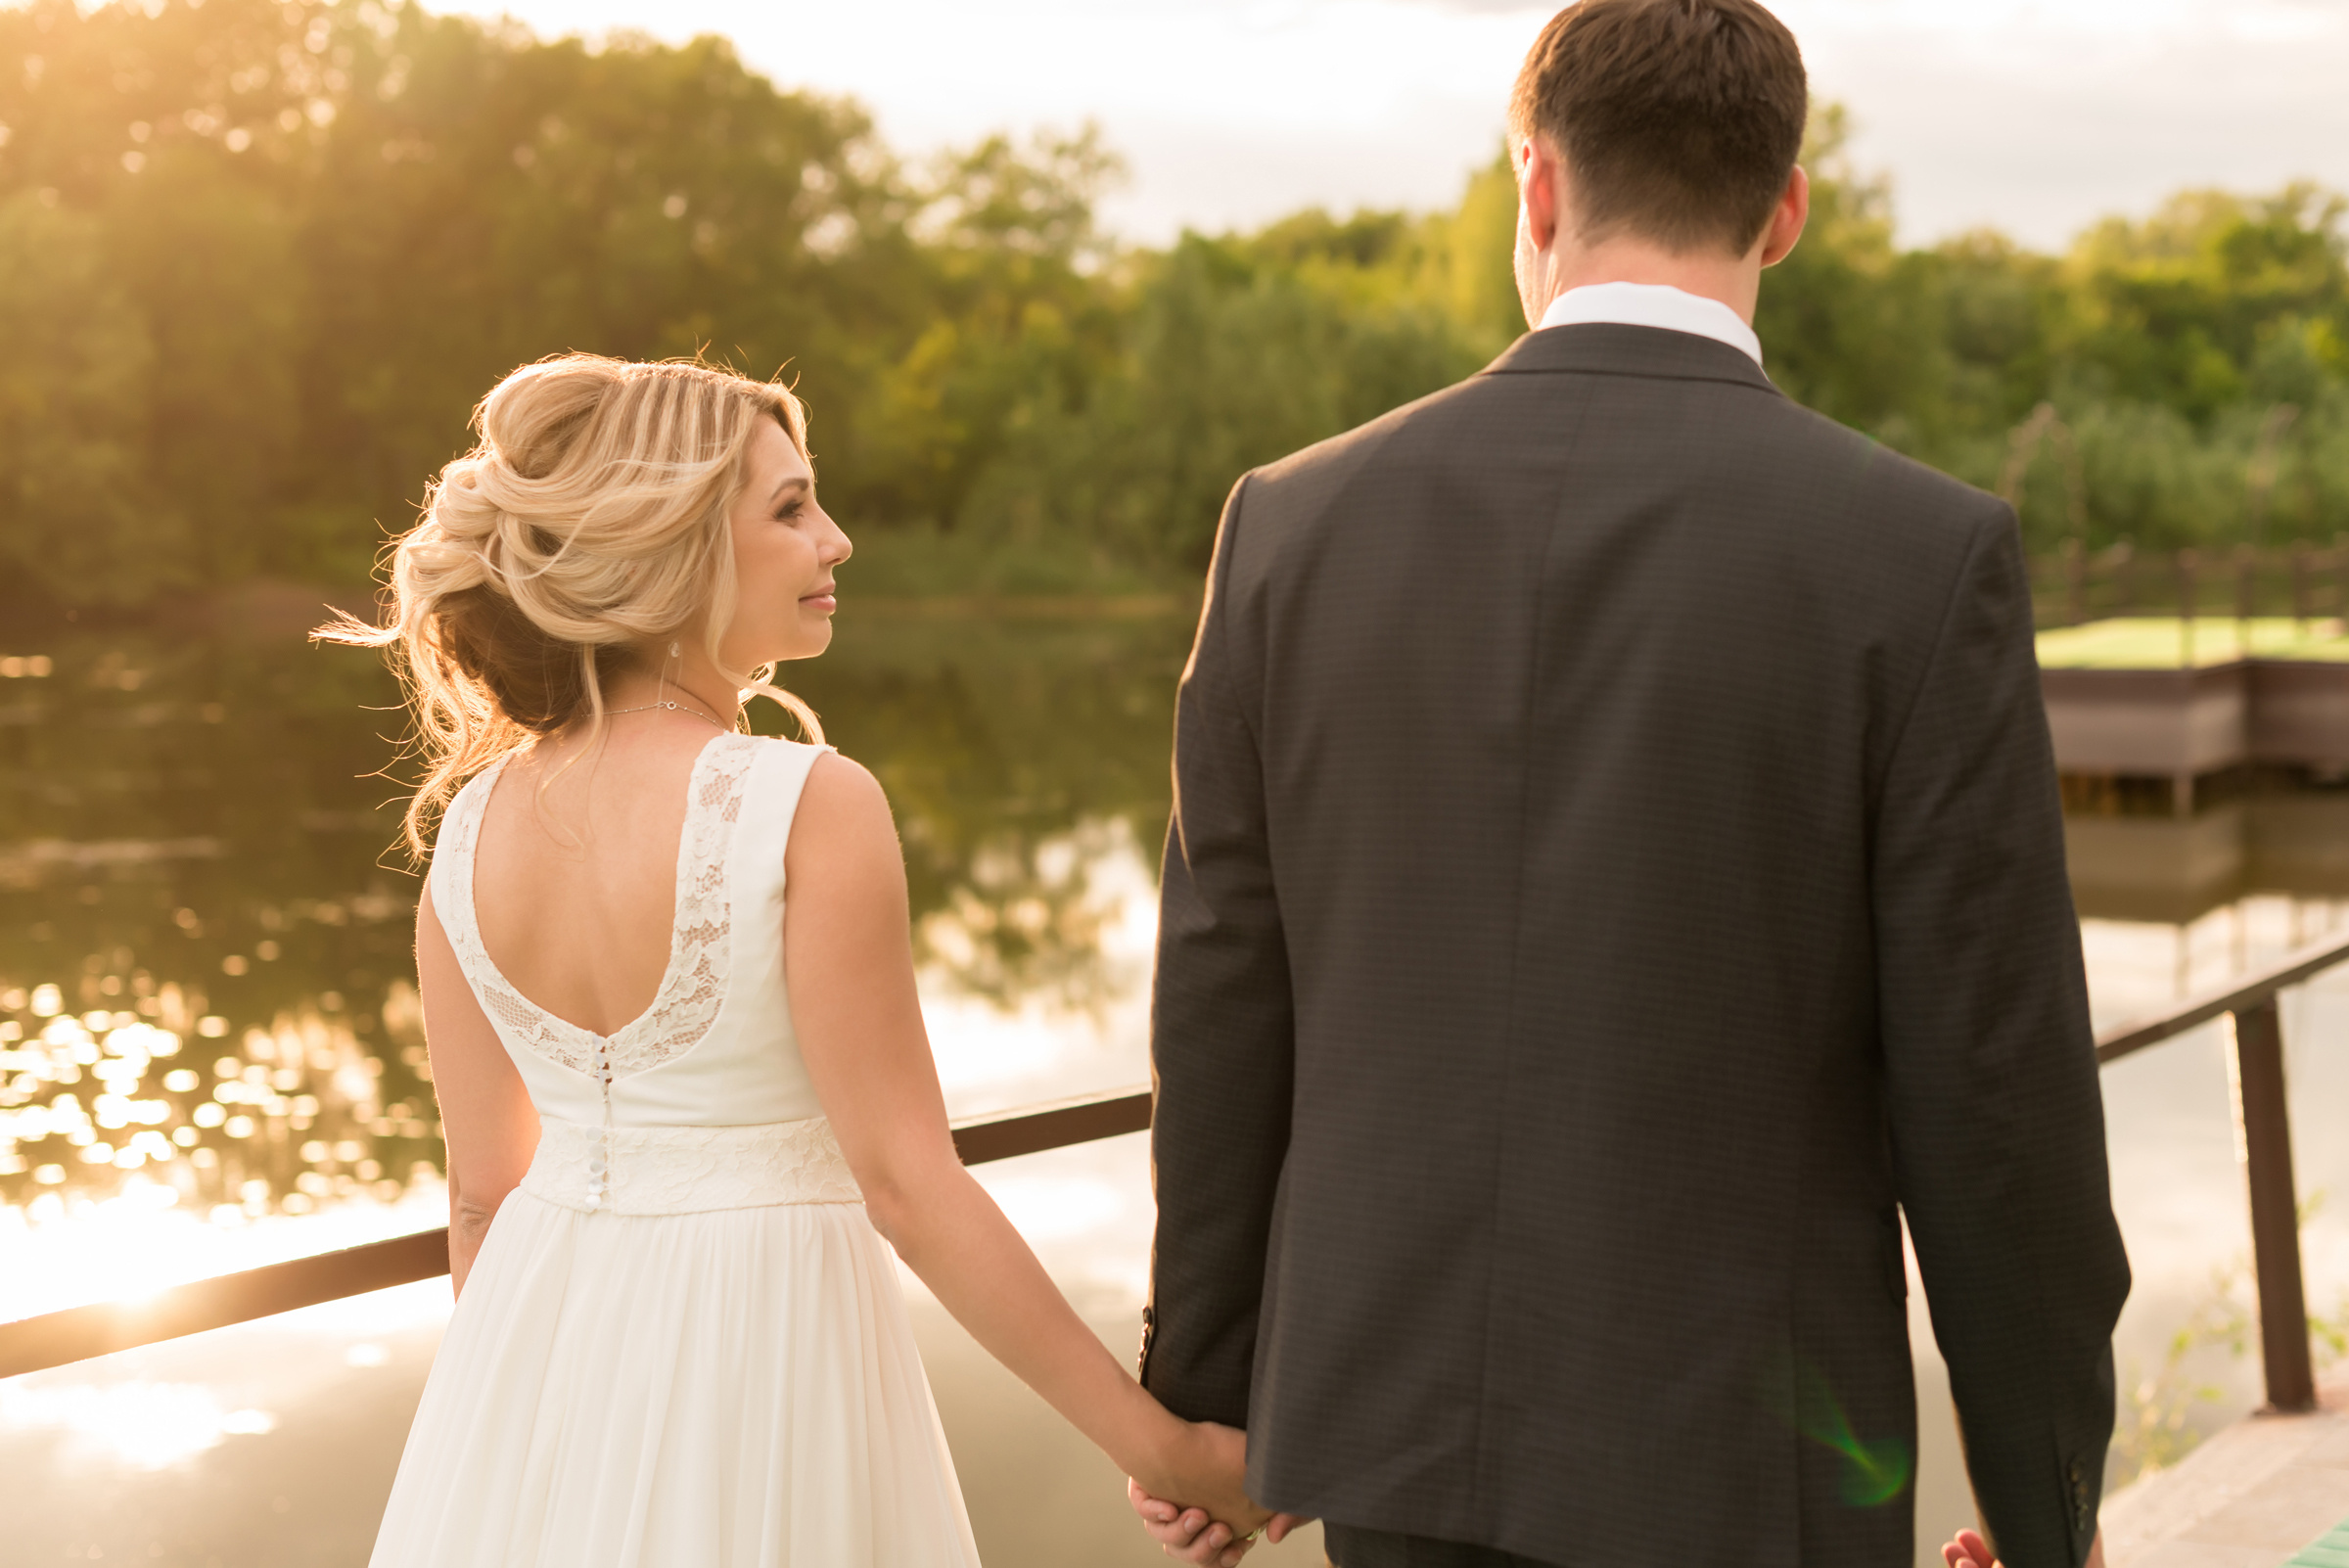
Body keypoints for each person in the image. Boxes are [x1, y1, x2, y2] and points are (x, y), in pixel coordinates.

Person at [1128, 2, 2130, 1565]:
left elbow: (1222, 996)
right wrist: (2039, 1495)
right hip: (1751, 1460)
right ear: (1786, 209)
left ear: (1535, 187)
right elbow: (1998, 1102)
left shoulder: (1289, 524)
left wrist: (1202, 1393)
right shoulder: (1920, 557)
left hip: (1394, 1442)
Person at [324, 354, 1265, 1567]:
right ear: (674, 543)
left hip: (531, 1364)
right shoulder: (807, 801)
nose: (839, 539)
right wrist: (1164, 1447)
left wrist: (535, 1436)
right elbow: (907, 1186)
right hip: (763, 1355)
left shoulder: (467, 828)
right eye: (789, 507)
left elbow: (480, 1201)